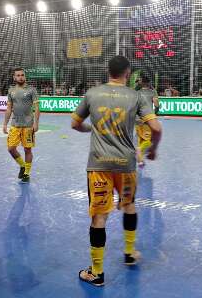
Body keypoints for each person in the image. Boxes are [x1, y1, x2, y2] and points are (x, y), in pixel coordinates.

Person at [71, 56, 162, 287]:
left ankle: (97, 272)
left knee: (99, 216)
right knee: (129, 205)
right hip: (127, 165)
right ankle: (130, 253)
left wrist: (89, 129)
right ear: (128, 72)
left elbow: (74, 123)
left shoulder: (92, 93)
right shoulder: (136, 96)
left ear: (107, 71)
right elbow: (156, 127)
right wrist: (152, 150)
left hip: (99, 165)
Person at [3, 68, 40, 183]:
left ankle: (26, 173)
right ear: (14, 77)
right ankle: (23, 166)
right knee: (10, 148)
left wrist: (36, 123)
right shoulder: (11, 91)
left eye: (22, 75)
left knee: (27, 150)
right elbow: (9, 108)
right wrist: (5, 124)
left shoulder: (31, 90)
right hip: (15, 124)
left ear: (25, 77)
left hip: (28, 125)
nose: (20, 77)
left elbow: (37, 108)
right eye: (18, 75)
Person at [135, 74, 160, 167]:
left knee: (141, 139)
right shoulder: (152, 92)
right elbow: (157, 105)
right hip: (147, 119)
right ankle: (138, 151)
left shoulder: (136, 93)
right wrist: (155, 114)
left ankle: (140, 161)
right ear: (148, 83)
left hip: (137, 119)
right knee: (148, 141)